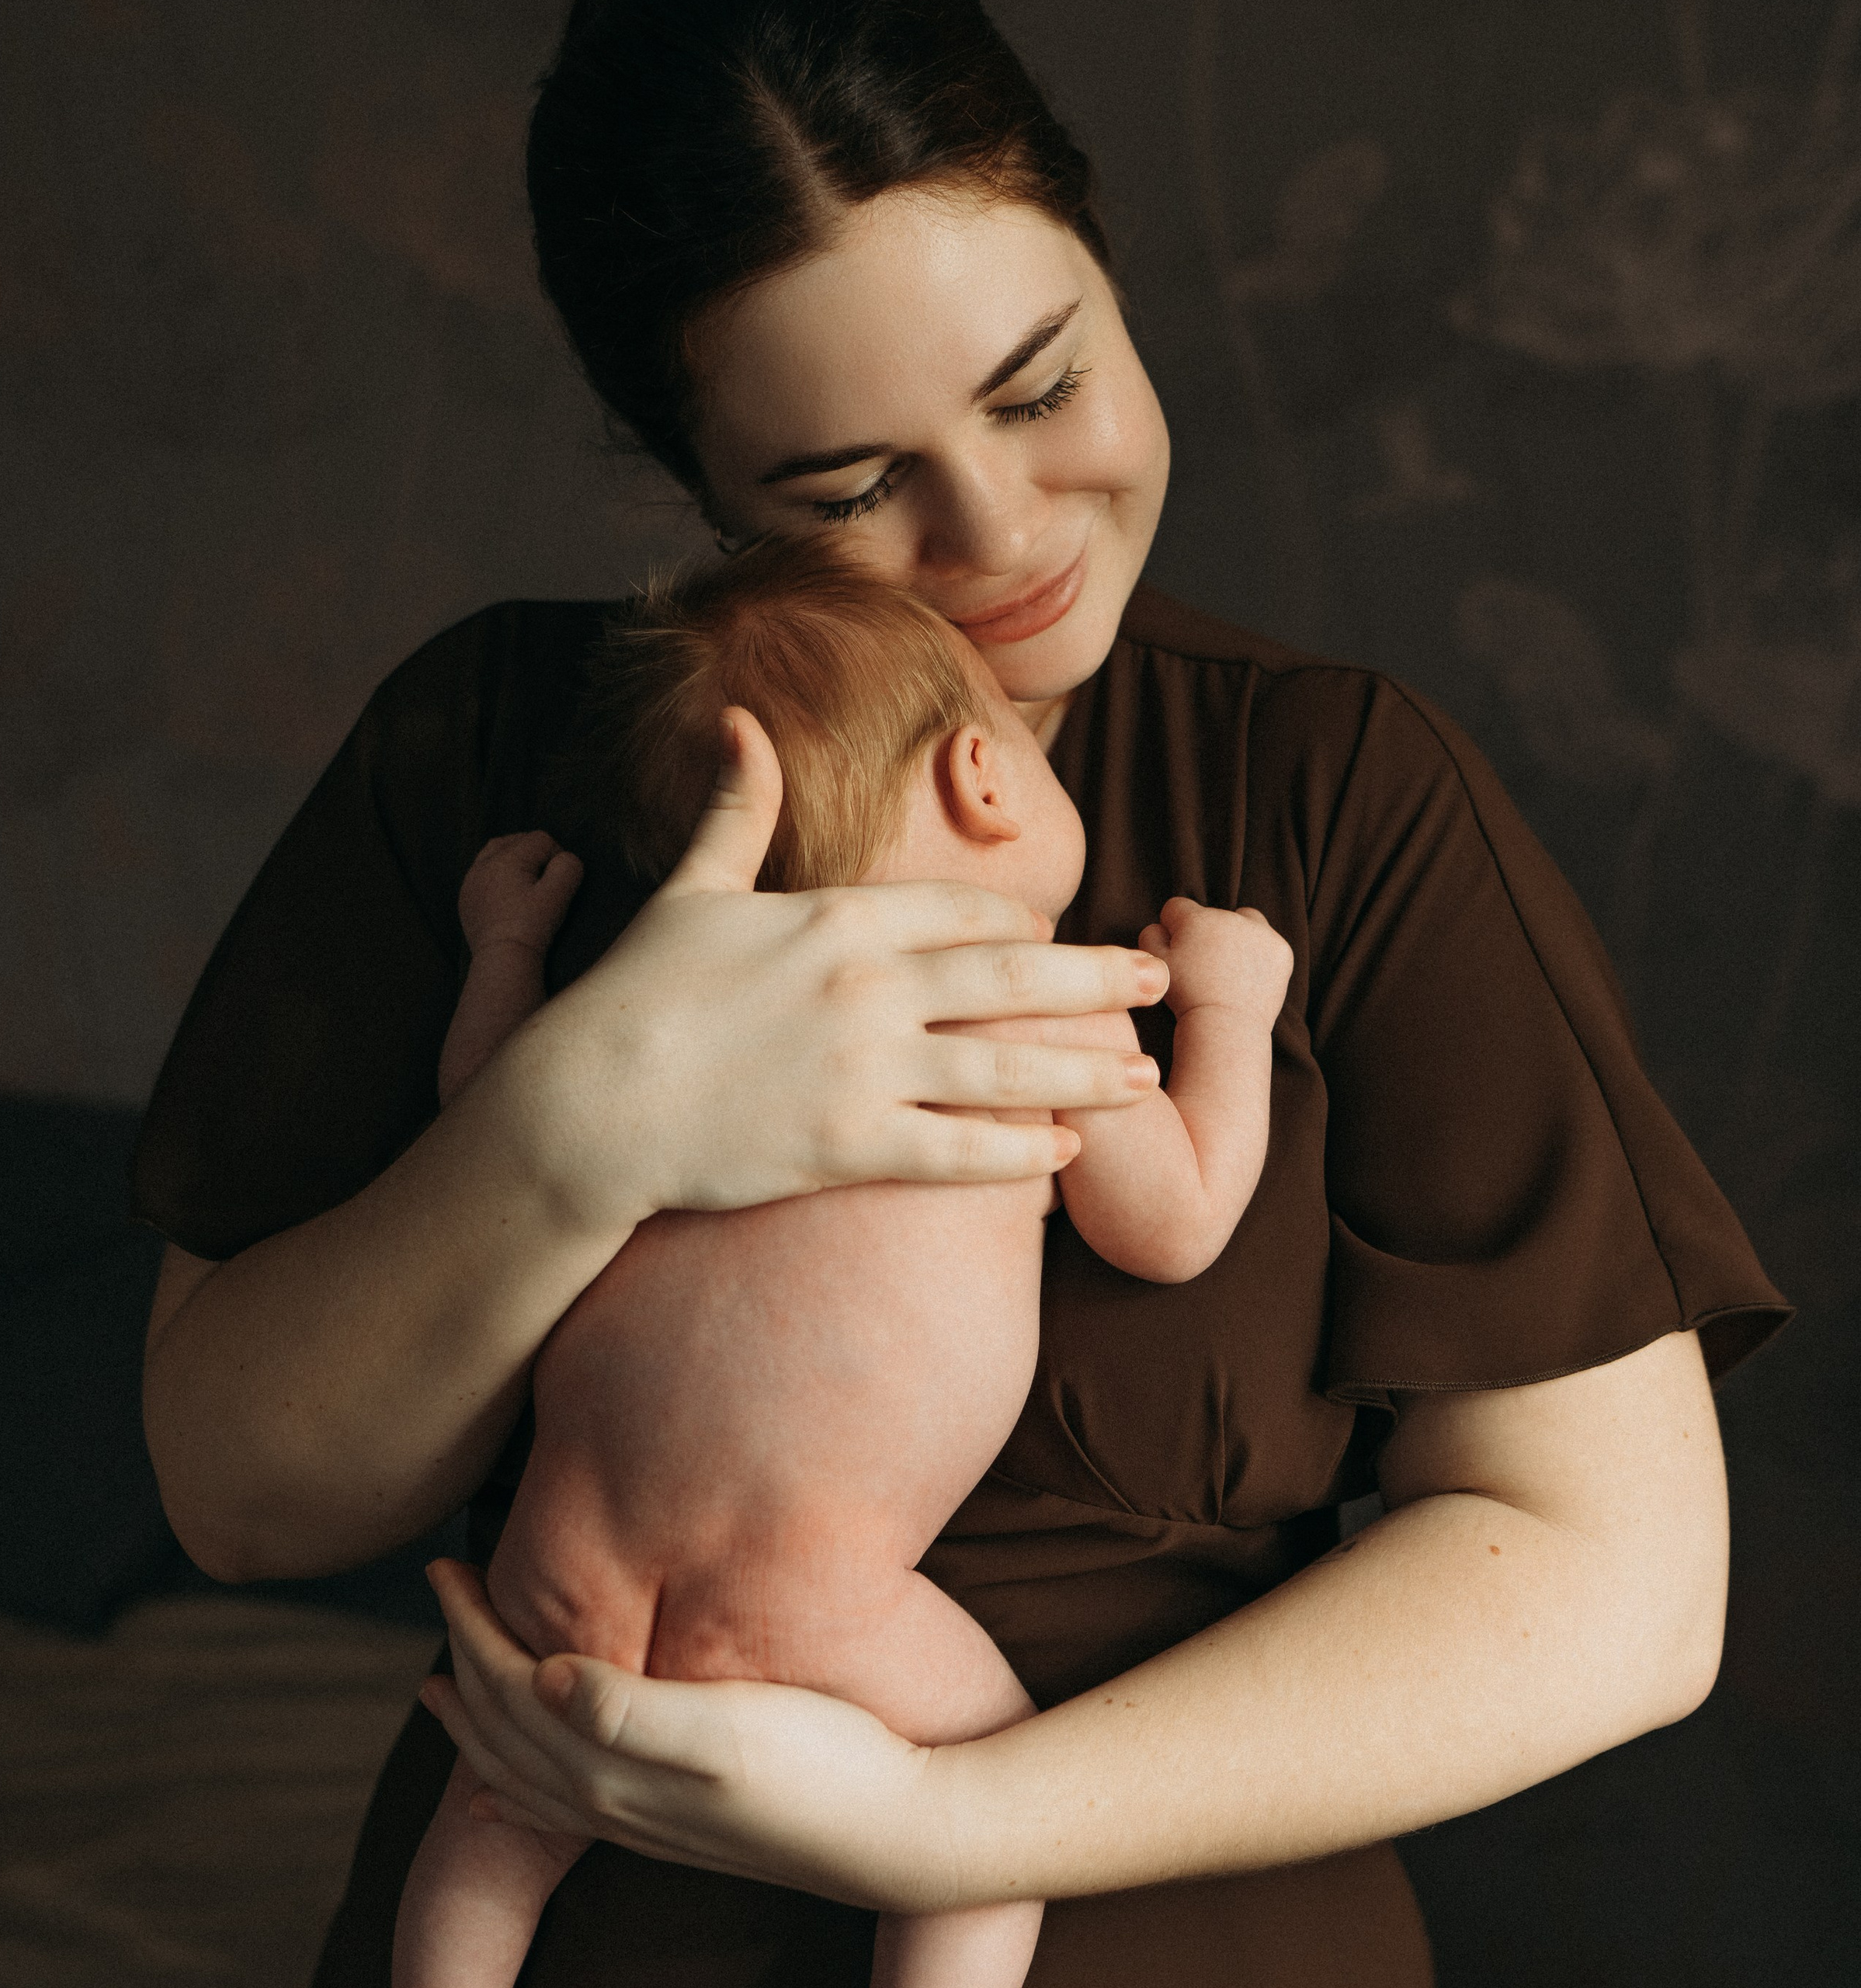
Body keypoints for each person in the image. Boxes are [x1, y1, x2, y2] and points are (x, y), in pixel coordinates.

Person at [132, 3, 1790, 1981]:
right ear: (697, 485)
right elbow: (240, 1499)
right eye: (843, 486)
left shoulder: (1331, 794)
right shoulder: (501, 757)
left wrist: (946, 1818)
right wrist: (576, 1129)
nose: (998, 535)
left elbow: (1614, 1584)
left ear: (1107, 263)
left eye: (1041, 382)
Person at [391, 537, 1293, 1988]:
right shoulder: (1030, 1006)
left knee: (496, 1817)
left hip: (561, 1562)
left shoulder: (670, 1009)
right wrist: (1231, 1013)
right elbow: (1174, 1221)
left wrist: (506, 947)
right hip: (807, 1598)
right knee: (993, 1805)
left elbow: (483, 1121)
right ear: (986, 778)